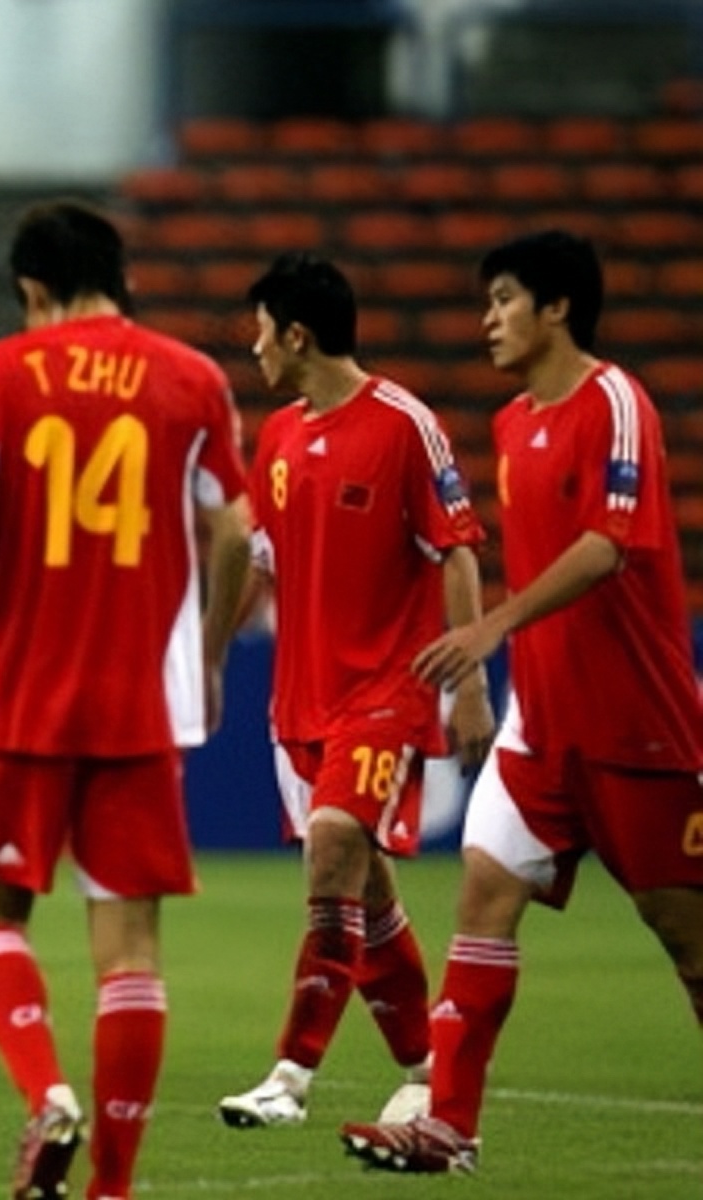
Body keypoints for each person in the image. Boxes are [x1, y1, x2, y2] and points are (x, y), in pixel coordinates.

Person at [0, 202, 251, 1200]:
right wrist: (210, 653)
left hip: (21, 698)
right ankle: (113, 1187)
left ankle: (47, 1091)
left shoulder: (0, 374)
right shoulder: (192, 378)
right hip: (137, 702)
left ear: (32, 291)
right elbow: (233, 531)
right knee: (128, 949)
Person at [340, 231, 703, 1173]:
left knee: (687, 937)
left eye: (503, 298)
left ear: (557, 309)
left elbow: (608, 543)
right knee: (485, 892)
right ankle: (449, 1128)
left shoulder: (614, 402)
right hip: (542, 730)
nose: (486, 319)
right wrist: (493, 670)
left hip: (641, 728)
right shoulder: (509, 425)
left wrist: (492, 629)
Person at [216, 253, 492, 1132]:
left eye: (259, 326)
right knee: (364, 889)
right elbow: (259, 559)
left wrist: (471, 683)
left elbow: (455, 546)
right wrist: (207, 641)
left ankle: (290, 1076)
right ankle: (424, 1067)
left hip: (387, 690)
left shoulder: (405, 423)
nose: (252, 344)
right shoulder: (281, 438)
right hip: (301, 701)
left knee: (332, 845)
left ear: (296, 334)